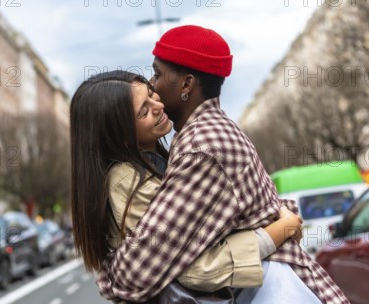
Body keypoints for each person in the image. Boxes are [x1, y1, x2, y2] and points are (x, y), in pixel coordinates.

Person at [96, 25, 349, 303]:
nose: (153, 85)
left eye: (157, 74)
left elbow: (137, 271)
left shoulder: (201, 148)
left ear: (186, 84)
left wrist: (108, 274)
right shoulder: (206, 132)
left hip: (279, 289)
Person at [70, 70, 305, 299]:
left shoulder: (160, 160)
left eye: (152, 94)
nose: (158, 106)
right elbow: (195, 269)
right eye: (144, 111)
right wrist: (278, 231)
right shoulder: (129, 182)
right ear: (120, 135)